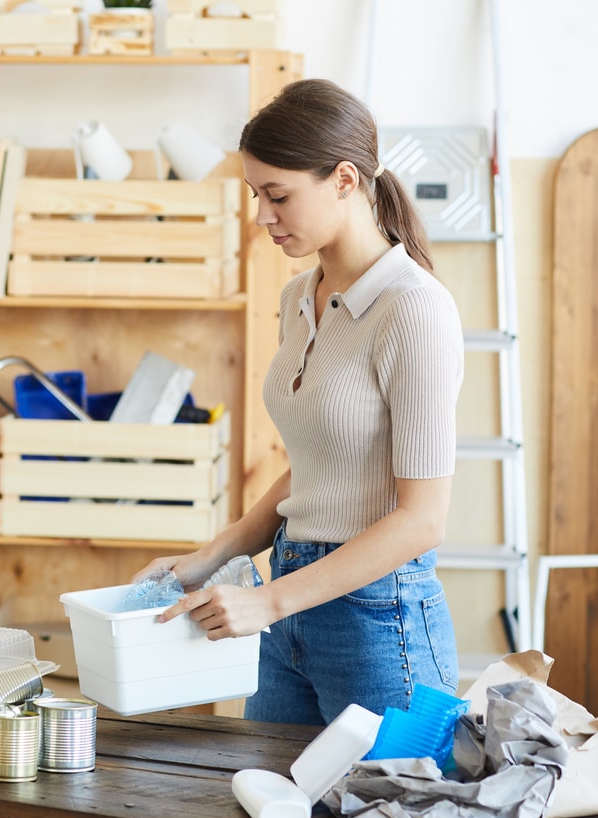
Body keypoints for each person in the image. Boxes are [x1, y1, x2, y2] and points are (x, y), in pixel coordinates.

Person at [132, 78, 465, 727]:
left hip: (378, 618)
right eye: (258, 195)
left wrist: (271, 601)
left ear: (345, 179)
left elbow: (423, 518)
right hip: (286, 607)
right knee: (273, 810)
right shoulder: (297, 298)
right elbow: (320, 462)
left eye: (277, 195)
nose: (261, 215)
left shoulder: (414, 308)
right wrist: (212, 555)